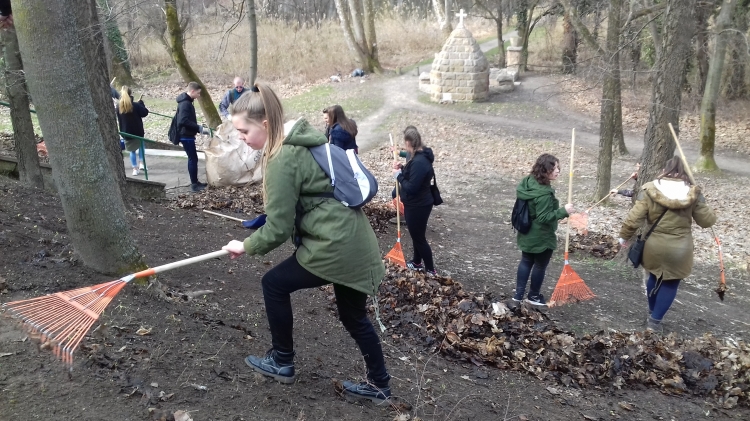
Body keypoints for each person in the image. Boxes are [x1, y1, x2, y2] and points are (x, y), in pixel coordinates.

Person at [221, 82, 392, 404]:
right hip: (356, 242)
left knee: (274, 284)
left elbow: (279, 229)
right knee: (354, 316)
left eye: (244, 131)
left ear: (266, 125)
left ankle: (282, 360)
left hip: (335, 246)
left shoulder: (282, 157)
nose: (241, 138)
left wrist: (246, 245)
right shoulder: (303, 141)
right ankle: (380, 385)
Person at [618, 156, 716, 333]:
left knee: (654, 277)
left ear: (665, 171)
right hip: (680, 248)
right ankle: (655, 321)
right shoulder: (692, 192)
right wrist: (700, 200)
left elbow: (634, 219)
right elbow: (707, 221)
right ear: (683, 173)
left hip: (654, 245)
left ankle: (651, 311)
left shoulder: (650, 190)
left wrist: (624, 236)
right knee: (670, 284)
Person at [513, 153, 574, 307]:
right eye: (554, 168)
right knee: (539, 265)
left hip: (526, 231)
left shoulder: (528, 182)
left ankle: (518, 296)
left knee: (526, 261)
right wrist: (563, 211)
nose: (558, 171)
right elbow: (543, 217)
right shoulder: (544, 194)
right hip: (541, 235)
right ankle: (533, 295)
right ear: (545, 169)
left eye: (558, 168)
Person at [392, 126, 436, 275]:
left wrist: (398, 175)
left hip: (418, 205)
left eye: (405, 144)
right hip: (418, 203)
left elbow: (411, 187)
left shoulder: (419, 161)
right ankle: (417, 262)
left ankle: (431, 269)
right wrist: (403, 168)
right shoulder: (419, 157)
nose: (405, 147)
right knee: (417, 235)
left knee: (419, 238)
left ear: (409, 143)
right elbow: (414, 175)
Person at [175, 82, 210, 192]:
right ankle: (194, 184)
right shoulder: (186, 104)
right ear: (193, 91)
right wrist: (198, 128)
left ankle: (195, 182)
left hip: (187, 134)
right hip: (186, 135)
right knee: (193, 159)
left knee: (193, 159)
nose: (199, 96)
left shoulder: (186, 102)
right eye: (198, 93)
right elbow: (183, 120)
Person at [116, 86, 149, 176]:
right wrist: (141, 104)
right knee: (141, 146)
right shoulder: (135, 105)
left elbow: (119, 119)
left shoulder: (119, 107)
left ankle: (135, 168)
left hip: (126, 132)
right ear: (130, 93)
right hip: (138, 131)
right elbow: (145, 112)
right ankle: (142, 163)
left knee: (132, 151)